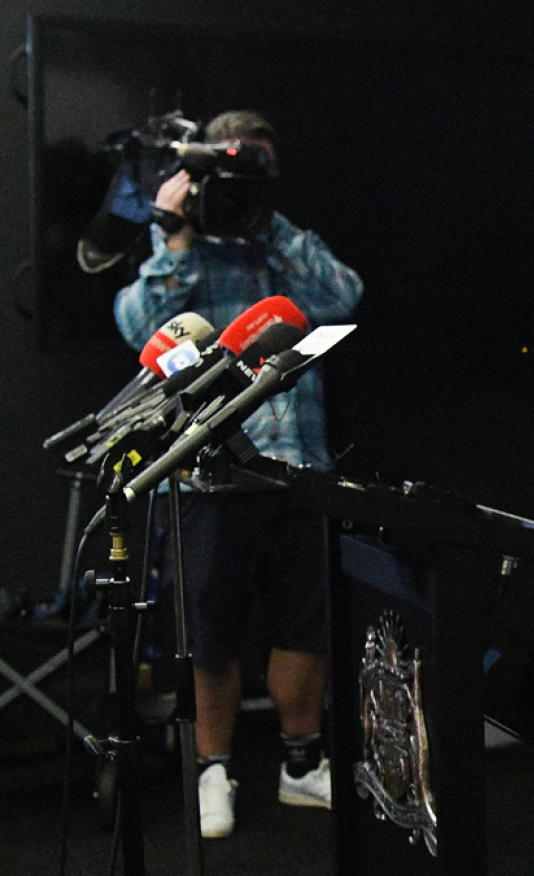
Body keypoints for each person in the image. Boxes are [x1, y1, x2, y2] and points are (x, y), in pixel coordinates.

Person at [113, 109, 363, 839]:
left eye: (256, 168)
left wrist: (270, 221)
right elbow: (139, 327)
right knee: (211, 640)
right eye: (231, 171)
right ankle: (213, 771)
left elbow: (345, 293)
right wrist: (173, 234)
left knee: (305, 629)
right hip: (209, 481)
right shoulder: (184, 257)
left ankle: (299, 764)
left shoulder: (281, 249)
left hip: (298, 474)